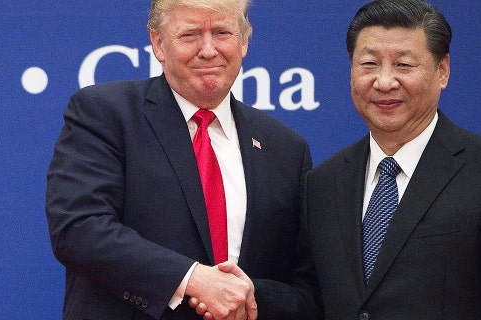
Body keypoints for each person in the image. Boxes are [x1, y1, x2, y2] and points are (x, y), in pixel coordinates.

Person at [45, 0, 316, 319]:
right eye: (190, 35)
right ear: (158, 43)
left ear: (244, 42)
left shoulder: (285, 148)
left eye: (222, 32)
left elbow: (306, 289)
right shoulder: (106, 114)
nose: (209, 49)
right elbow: (79, 229)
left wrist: (247, 297)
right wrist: (194, 279)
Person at [296, 0, 481, 319]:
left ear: (443, 71)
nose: (384, 82)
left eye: (403, 65)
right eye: (368, 64)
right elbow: (311, 301)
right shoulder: (324, 183)